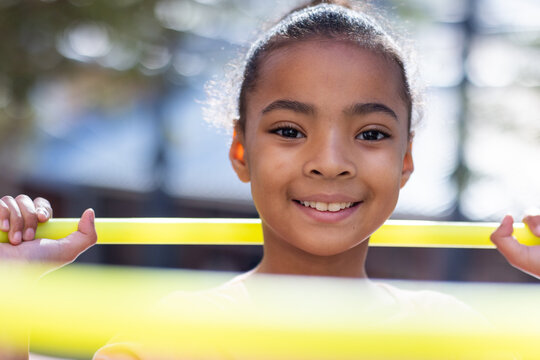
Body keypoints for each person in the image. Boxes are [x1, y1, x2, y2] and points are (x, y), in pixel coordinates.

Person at [0, 0, 539, 358]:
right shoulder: (175, 333)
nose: (330, 162)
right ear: (240, 150)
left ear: (405, 160)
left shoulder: (452, 336)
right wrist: (10, 299)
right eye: (289, 129)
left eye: (371, 134)